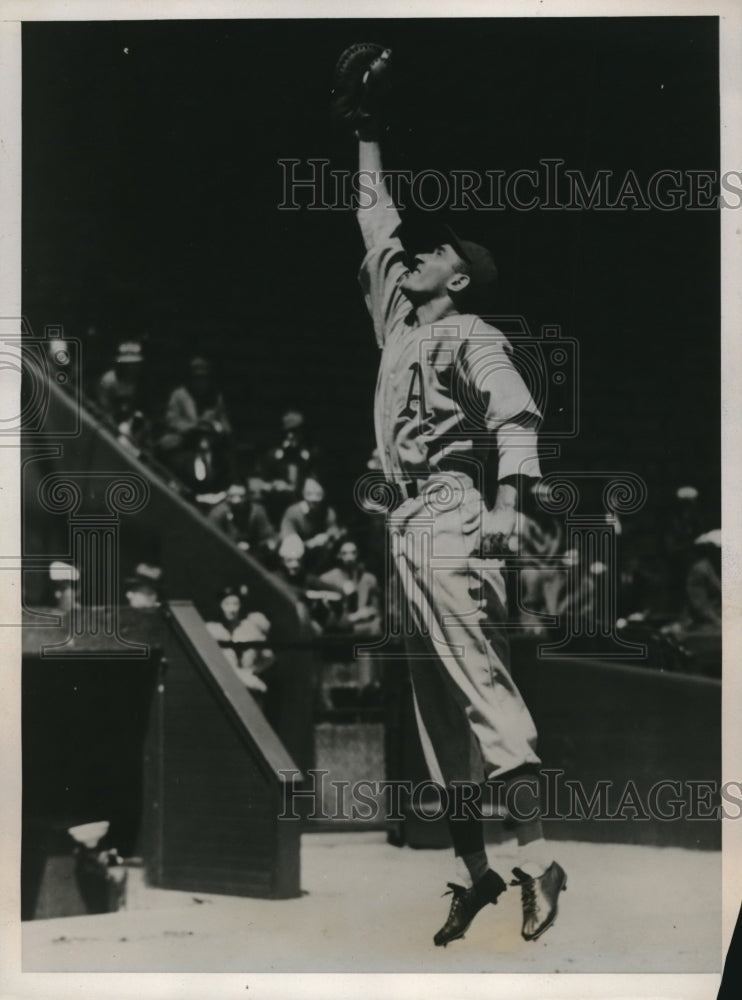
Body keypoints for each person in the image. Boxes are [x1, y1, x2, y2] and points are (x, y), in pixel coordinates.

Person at [349, 75, 566, 947]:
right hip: (404, 526)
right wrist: (366, 131)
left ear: (460, 274)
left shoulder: (472, 332)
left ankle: (541, 859)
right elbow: (374, 224)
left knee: (481, 689)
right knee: (438, 715)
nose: (417, 256)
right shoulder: (398, 327)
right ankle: (479, 875)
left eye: (433, 253)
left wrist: (511, 500)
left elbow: (515, 413)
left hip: (450, 513)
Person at [206, 585, 275, 695]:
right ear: (220, 605)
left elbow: (268, 656)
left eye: (235, 604)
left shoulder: (251, 628)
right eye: (227, 604)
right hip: (223, 687)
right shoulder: (212, 629)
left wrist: (251, 671)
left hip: (249, 688)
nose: (232, 609)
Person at [160, 356, 232, 455]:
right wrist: (192, 427)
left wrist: (223, 430)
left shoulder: (215, 397)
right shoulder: (179, 395)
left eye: (203, 378)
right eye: (197, 378)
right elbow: (172, 420)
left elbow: (223, 420)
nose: (200, 382)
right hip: (184, 441)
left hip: (209, 441)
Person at [280, 477, 344, 571]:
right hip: (297, 562)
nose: (314, 499)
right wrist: (311, 543)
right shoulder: (293, 512)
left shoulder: (328, 512)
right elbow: (289, 545)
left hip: (321, 562)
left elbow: (334, 532)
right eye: (309, 494)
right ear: (303, 494)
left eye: (318, 494)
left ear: (323, 495)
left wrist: (329, 536)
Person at [208, 483, 277, 557]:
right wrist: (234, 546)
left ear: (248, 497)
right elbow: (211, 540)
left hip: (254, 553)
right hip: (225, 553)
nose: (237, 500)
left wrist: (267, 546)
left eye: (241, 496)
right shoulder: (218, 514)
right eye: (232, 496)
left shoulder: (256, 512)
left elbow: (268, 536)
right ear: (227, 498)